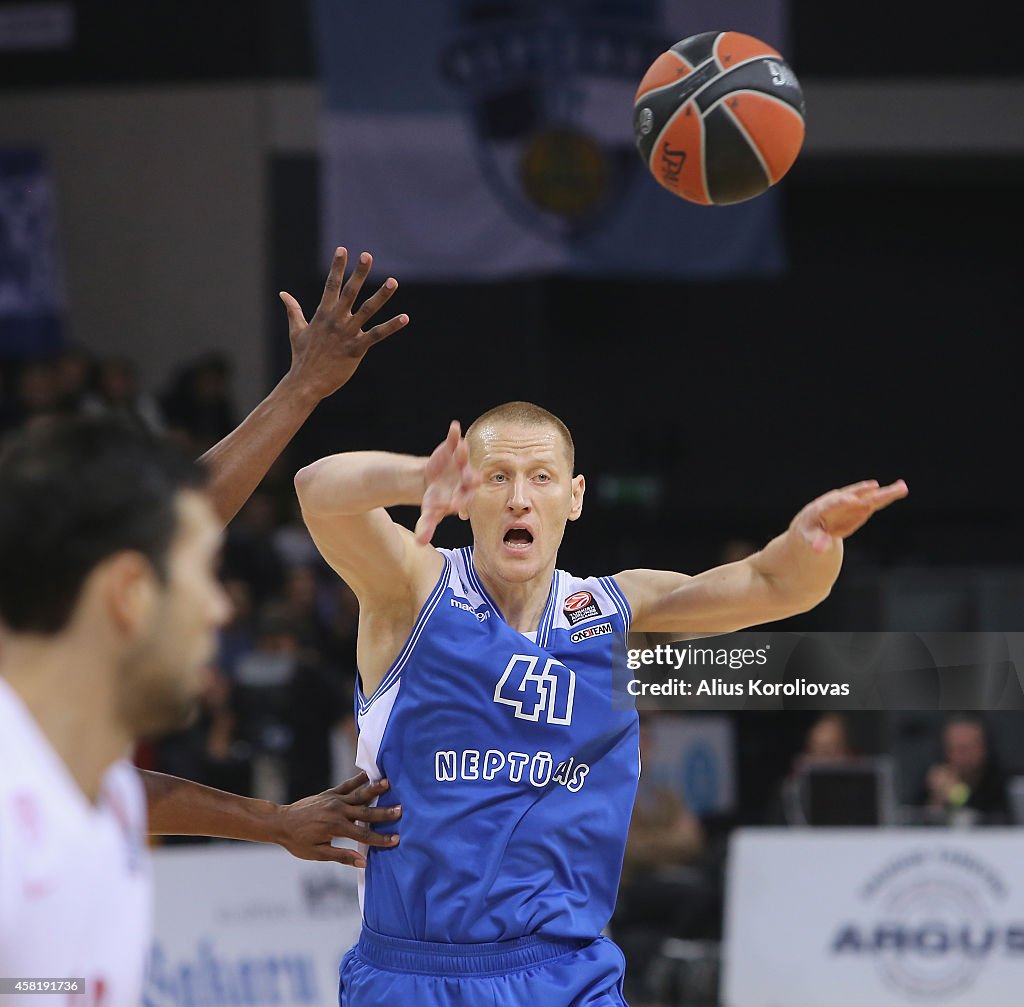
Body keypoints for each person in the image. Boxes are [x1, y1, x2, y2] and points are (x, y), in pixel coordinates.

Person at [293, 401, 907, 1006]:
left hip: (566, 976)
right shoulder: (411, 590)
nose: (518, 498)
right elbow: (315, 490)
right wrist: (414, 478)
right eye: (496, 477)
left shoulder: (614, 615)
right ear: (465, 496)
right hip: (415, 975)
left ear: (576, 496)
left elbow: (774, 585)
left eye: (541, 478)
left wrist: (812, 542)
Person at [0, 249, 405, 1004]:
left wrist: (275, 821)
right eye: (198, 581)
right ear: (129, 590)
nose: (221, 611)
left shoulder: (88, 781)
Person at [922, 714, 1008, 822]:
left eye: (963, 749)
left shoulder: (1002, 781)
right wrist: (936, 800)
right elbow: (913, 821)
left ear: (983, 748)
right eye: (951, 748)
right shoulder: (935, 777)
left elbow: (999, 819)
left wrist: (957, 794)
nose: (956, 755)